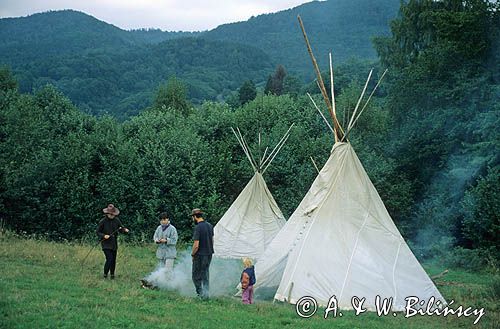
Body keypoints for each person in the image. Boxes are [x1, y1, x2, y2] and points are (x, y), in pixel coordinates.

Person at [96, 204, 129, 279]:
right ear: (107, 213)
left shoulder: (116, 220)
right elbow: (98, 232)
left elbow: (121, 228)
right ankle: (105, 275)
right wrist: (104, 235)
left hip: (114, 243)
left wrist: (125, 230)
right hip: (106, 243)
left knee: (113, 259)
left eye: (113, 214)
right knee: (109, 258)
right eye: (110, 214)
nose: (112, 216)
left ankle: (112, 275)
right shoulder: (103, 221)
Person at [190, 208, 213, 299]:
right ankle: (206, 295)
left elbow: (196, 245)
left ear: (195, 217)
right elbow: (212, 240)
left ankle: (200, 294)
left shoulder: (198, 227)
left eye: (192, 217)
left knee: (196, 275)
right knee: (205, 274)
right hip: (209, 253)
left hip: (200, 255)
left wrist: (192, 254)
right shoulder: (209, 226)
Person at [153, 211, 178, 278]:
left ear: (168, 219)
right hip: (161, 252)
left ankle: (170, 284)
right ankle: (161, 284)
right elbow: (155, 237)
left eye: (164, 219)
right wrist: (157, 240)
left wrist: (166, 240)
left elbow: (175, 240)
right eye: (161, 220)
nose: (163, 221)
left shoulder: (172, 229)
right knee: (161, 269)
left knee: (168, 270)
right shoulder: (159, 228)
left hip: (170, 252)